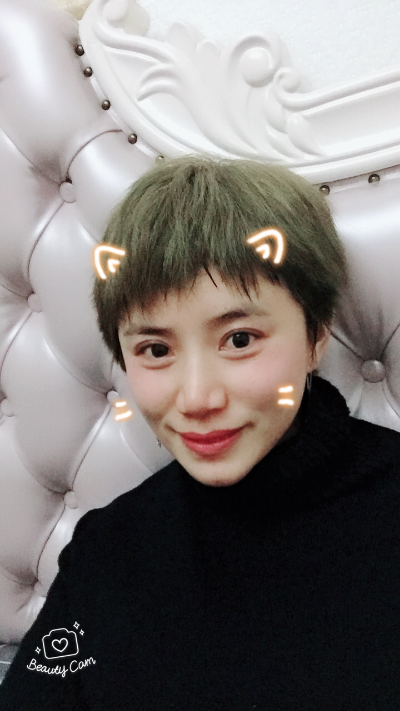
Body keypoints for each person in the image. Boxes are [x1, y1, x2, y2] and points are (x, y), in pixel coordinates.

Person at [1, 156, 399, 710]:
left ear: (315, 336)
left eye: (239, 340)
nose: (196, 399)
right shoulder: (107, 553)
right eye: (155, 349)